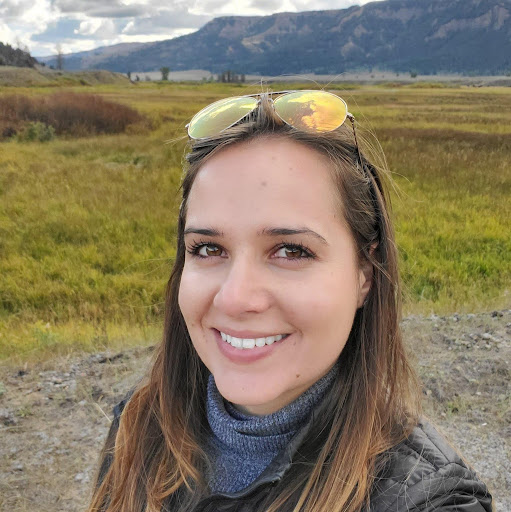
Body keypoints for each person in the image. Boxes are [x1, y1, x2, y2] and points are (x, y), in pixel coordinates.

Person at [87, 90, 493, 512]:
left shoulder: (429, 500)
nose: (236, 298)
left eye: (291, 251)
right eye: (208, 249)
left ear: (365, 274)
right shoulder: (140, 424)